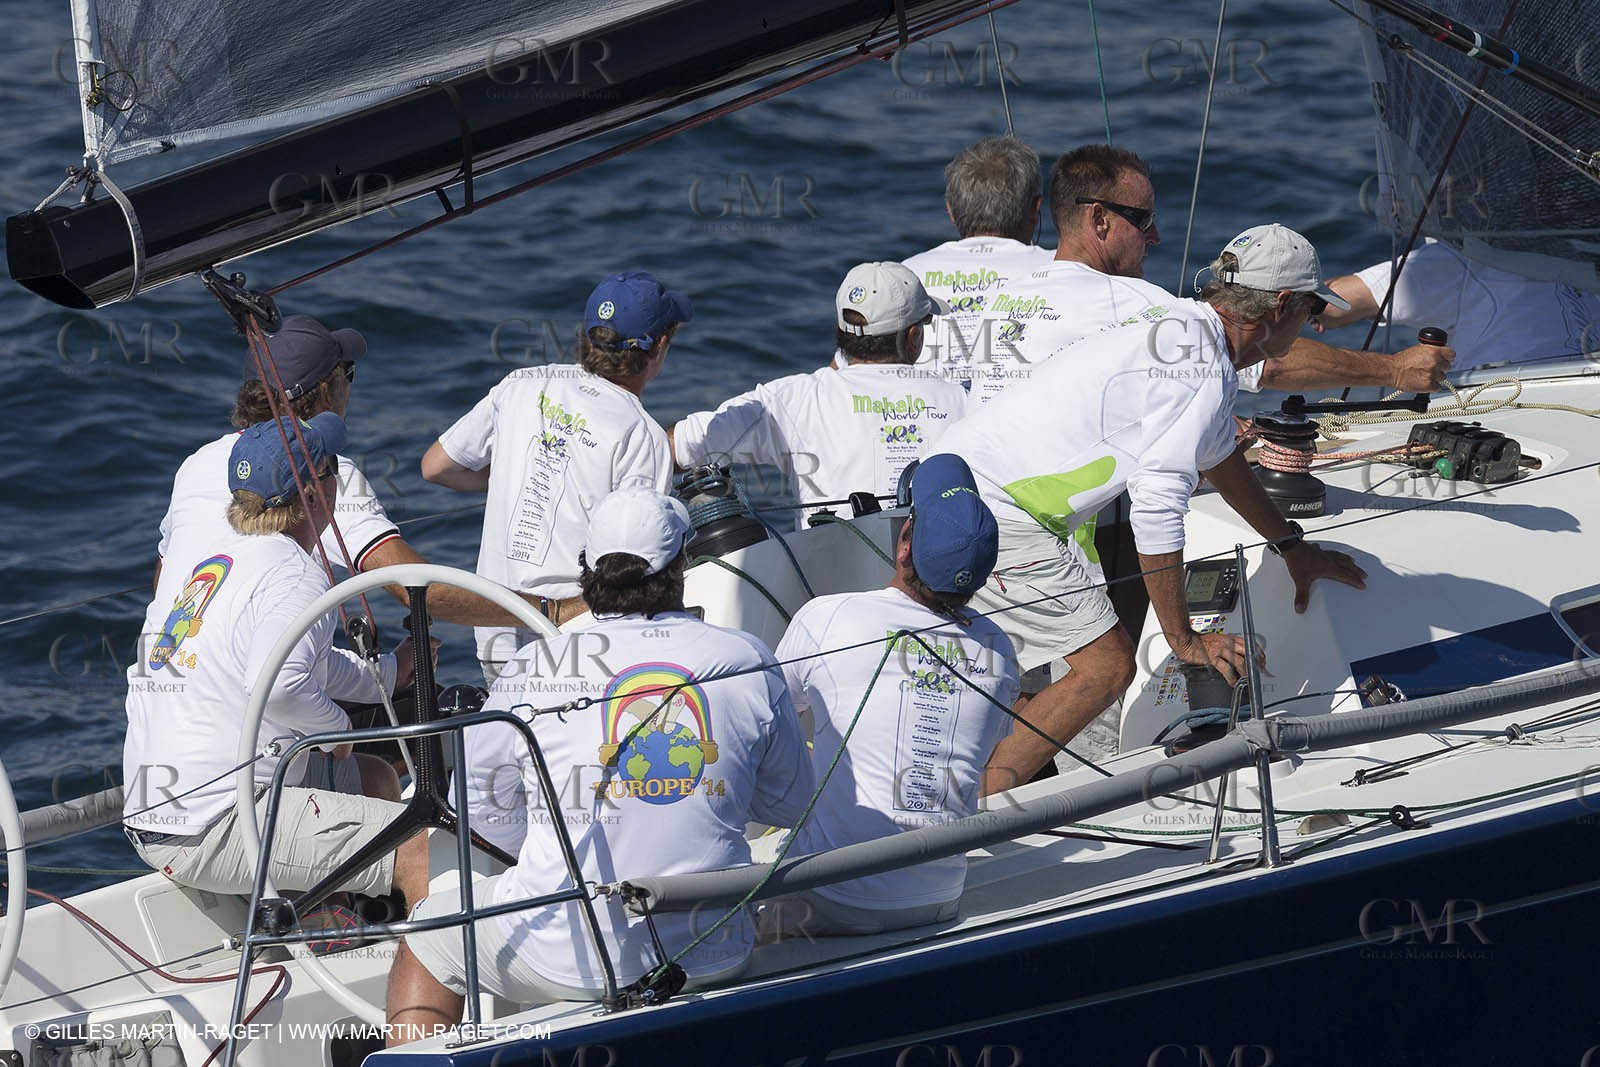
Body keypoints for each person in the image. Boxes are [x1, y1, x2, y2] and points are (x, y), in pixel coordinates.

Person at [935, 224, 1369, 791]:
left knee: (999, 670)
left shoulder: (1183, 328)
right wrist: (1184, 640)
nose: (1312, 321)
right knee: (1107, 667)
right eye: (1312, 308)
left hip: (948, 488)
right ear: (1281, 305)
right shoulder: (1200, 368)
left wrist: (1290, 547)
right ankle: (974, 814)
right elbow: (1156, 511)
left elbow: (1219, 458)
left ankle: (963, 794)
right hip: (998, 513)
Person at [385, 487, 814, 1042]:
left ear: (587, 570)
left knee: (426, 937)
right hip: (716, 948)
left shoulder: (531, 669)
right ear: (681, 564)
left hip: (564, 955)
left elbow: (485, 822)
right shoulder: (747, 656)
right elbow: (789, 805)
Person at [124, 413, 427, 907]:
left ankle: (333, 928)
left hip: (157, 815)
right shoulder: (295, 574)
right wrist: (337, 733)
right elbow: (281, 682)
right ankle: (421, 955)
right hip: (214, 825)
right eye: (332, 468)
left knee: (376, 779)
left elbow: (300, 661)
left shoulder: (224, 560)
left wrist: (389, 674)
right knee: (418, 848)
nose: (338, 479)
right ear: (312, 494)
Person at [940, 145, 1456, 403]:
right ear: (1099, 220)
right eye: (1143, 221)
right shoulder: (1130, 306)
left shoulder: (1001, 302)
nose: (1156, 238)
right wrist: (1394, 371)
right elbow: (1263, 359)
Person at [766, 453, 1020, 936]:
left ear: (905, 545)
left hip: (830, 899)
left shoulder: (828, 616)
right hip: (939, 898)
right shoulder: (1000, 649)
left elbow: (766, 729)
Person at [157, 313, 524, 627]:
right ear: (325, 393)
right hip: (255, 682)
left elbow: (164, 586)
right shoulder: (323, 472)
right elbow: (418, 589)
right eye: (348, 373)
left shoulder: (196, 463)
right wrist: (544, 610)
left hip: (163, 673)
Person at [423, 271, 688, 682]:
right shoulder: (644, 435)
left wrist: (510, 475)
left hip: (494, 629)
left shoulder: (522, 384)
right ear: (660, 347)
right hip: (574, 636)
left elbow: (436, 467)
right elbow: (634, 564)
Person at [669, 262, 967, 528]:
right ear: (913, 336)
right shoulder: (963, 402)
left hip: (828, 571)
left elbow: (676, 447)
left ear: (841, 328)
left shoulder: (791, 400)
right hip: (936, 568)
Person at [901, 135, 1054, 397]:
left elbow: (858, 371)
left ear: (951, 211)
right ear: (1035, 208)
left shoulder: (903, 276)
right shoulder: (1064, 267)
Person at [1315, 237, 1600, 373]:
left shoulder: (1465, 258)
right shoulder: (1589, 244)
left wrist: (1311, 310)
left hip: (1500, 404)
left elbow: (1334, 303)